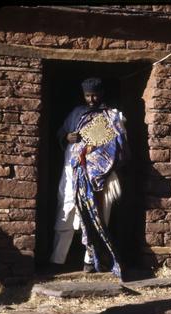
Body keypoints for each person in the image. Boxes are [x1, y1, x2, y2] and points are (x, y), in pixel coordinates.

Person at [50, 77, 128, 278]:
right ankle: (57, 260)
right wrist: (66, 137)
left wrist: (100, 155)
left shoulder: (113, 116)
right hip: (72, 171)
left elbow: (121, 146)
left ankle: (90, 261)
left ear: (102, 94)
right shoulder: (76, 113)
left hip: (100, 176)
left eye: (94, 94)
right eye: (87, 95)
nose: (91, 99)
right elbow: (60, 132)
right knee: (66, 210)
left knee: (97, 215)